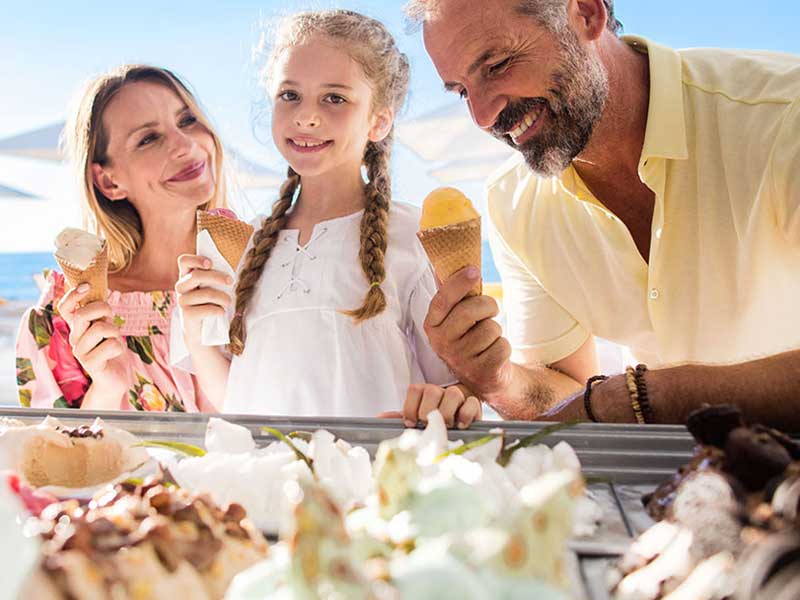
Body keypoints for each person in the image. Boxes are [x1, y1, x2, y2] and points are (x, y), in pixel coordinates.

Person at [405, 0, 800, 428]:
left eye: (497, 65)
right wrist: (496, 378)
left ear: (588, 15)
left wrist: (646, 397)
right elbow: (568, 393)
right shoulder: (512, 200)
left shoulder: (783, 115)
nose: (483, 117)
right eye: (462, 91)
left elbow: (612, 404)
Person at [175, 9, 481, 428]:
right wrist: (196, 331)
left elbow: (454, 386)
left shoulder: (412, 238)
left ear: (379, 120)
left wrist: (453, 398)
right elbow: (234, 398)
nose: (306, 116)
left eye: (334, 98)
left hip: (375, 481)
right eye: (290, 95)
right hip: (266, 482)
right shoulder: (240, 251)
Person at [15, 65, 228, 412]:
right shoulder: (65, 317)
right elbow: (53, 457)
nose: (184, 144)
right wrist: (108, 386)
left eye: (187, 120)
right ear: (109, 182)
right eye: (148, 139)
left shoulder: (265, 279)